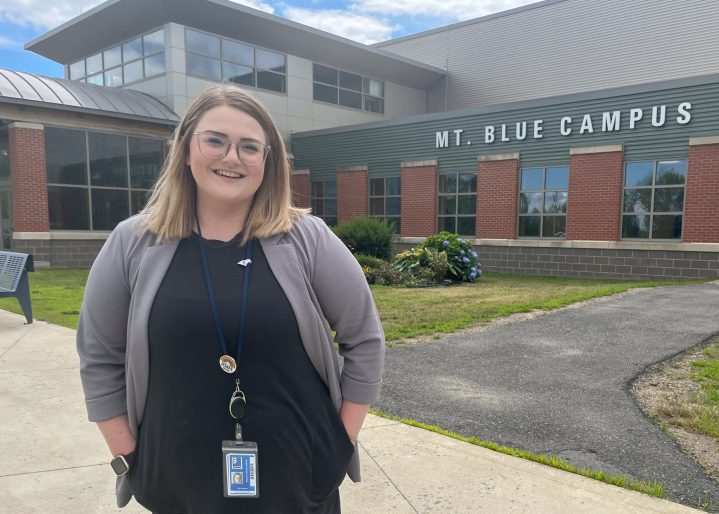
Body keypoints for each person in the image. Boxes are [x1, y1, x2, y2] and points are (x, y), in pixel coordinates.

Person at [77, 83, 385, 513]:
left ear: (266, 161)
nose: (231, 157)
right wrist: (127, 455)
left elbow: (365, 339)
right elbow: (99, 356)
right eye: (216, 141)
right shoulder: (133, 242)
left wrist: (341, 440)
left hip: (300, 480)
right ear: (186, 149)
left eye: (249, 147)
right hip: (176, 483)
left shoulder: (307, 239)